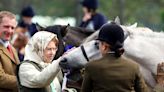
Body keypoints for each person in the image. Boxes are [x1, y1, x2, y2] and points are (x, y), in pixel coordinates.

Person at [81, 22, 148, 92]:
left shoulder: (91, 67)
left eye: (99, 44)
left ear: (104, 46)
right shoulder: (134, 67)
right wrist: (159, 85)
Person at [0, 11, 20, 92]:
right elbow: (0, 78)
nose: (10, 31)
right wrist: (25, 81)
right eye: (6, 26)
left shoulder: (12, 48)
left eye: (12, 28)